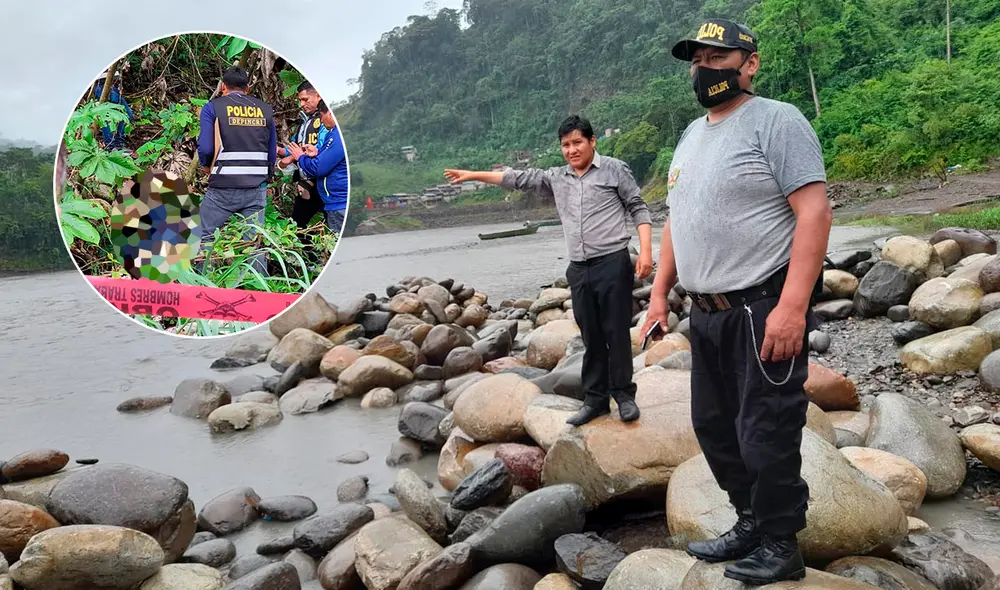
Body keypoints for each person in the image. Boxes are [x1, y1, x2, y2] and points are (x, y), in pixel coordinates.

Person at [641, 19, 832, 585]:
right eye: (698, 59)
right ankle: (750, 519)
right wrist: (658, 295)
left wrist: (793, 305)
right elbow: (679, 218)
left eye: (718, 57)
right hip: (706, 312)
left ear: (749, 63)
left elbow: (814, 212)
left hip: (760, 306)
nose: (705, 68)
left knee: (765, 429)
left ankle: (781, 542)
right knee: (714, 426)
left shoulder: (777, 120)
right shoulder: (691, 135)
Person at [444, 115, 653, 426]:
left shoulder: (614, 169)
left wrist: (646, 249)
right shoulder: (557, 177)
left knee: (617, 332)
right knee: (591, 336)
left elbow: (637, 206)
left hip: (612, 261)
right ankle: (595, 400)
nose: (571, 150)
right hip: (579, 269)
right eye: (565, 145)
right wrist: (474, 175)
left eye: (577, 142)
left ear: (592, 141)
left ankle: (624, 395)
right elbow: (517, 178)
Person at [196, 65, 277, 271]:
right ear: (247, 88)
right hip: (256, 188)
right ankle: (261, 292)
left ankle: (203, 287)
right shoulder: (265, 110)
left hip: (223, 188)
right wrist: (266, 178)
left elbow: (205, 147)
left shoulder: (213, 107)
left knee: (202, 236)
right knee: (253, 244)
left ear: (223, 87)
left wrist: (206, 166)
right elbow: (272, 151)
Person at [288, 101, 348, 233]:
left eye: (321, 115)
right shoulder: (334, 134)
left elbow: (319, 168)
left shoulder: (338, 136)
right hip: (336, 201)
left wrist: (300, 157)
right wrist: (317, 152)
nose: (321, 120)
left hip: (339, 202)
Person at [276, 80, 326, 229]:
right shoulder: (304, 122)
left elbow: (324, 149)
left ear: (318, 96)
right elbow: (293, 148)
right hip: (305, 182)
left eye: (305, 99)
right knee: (298, 225)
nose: (302, 104)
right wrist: (280, 151)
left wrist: (293, 157)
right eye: (300, 100)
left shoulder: (325, 120)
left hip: (321, 180)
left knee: (308, 224)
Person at [92, 70, 133, 154]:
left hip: (111, 84)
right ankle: (111, 146)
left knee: (125, 114)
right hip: (102, 84)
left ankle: (118, 144)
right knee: (108, 116)